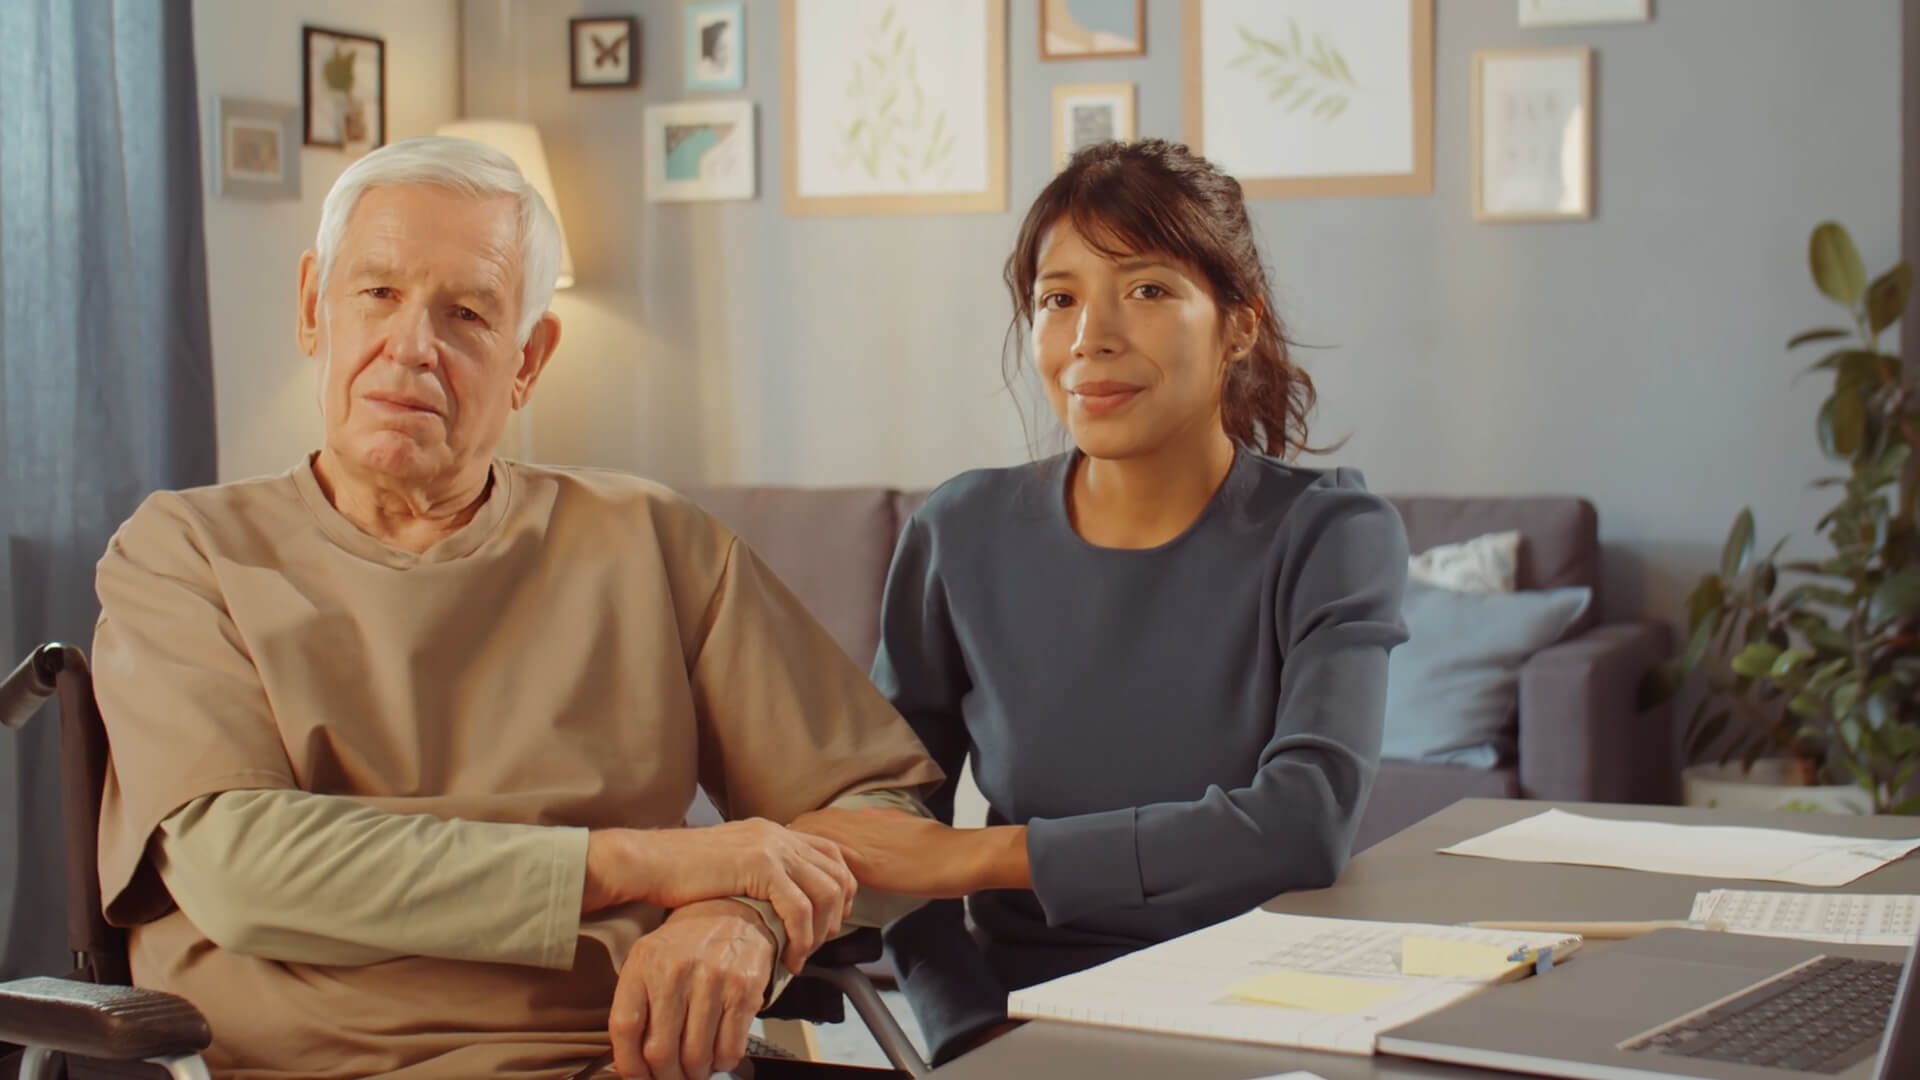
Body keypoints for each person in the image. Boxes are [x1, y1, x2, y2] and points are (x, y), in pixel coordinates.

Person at [91, 136, 942, 1080]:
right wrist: (649, 866)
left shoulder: (649, 539)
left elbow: (880, 806)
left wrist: (741, 916)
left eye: (466, 313)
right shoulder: (184, 552)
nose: (412, 346)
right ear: (310, 308)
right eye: (377, 293)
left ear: (529, 358)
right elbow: (238, 867)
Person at [792, 139, 1412, 1064]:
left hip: (1271, 1012)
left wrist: (987, 857)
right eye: (1060, 298)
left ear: (1238, 325)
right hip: (1031, 1023)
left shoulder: (1333, 532)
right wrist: (965, 1029)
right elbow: (889, 825)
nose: (1092, 336)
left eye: (1149, 289)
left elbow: (1304, 821)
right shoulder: (961, 530)